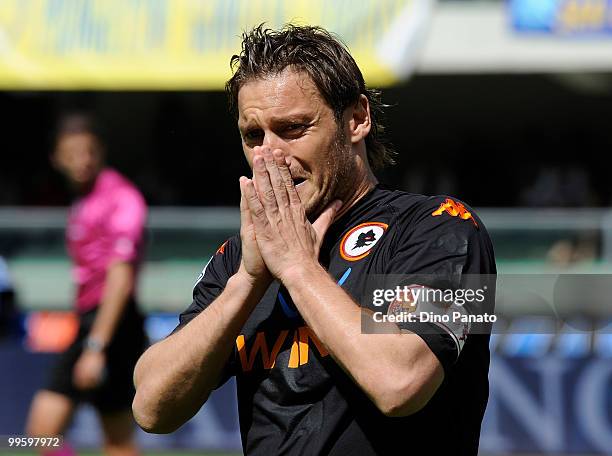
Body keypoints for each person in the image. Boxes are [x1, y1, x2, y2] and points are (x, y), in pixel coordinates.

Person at [133, 25, 496, 455]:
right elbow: (152, 409)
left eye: (292, 128)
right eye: (253, 136)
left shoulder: (440, 228)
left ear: (357, 119)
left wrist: (298, 268)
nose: (269, 155)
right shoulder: (242, 257)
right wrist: (249, 282)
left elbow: (400, 384)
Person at [26, 114, 148, 456]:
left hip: (114, 325)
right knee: (44, 435)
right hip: (91, 322)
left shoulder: (121, 197)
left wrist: (96, 346)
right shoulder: (83, 200)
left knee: (114, 440)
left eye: (89, 151)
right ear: (56, 158)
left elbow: (121, 278)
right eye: (72, 153)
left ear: (101, 152)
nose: (83, 160)